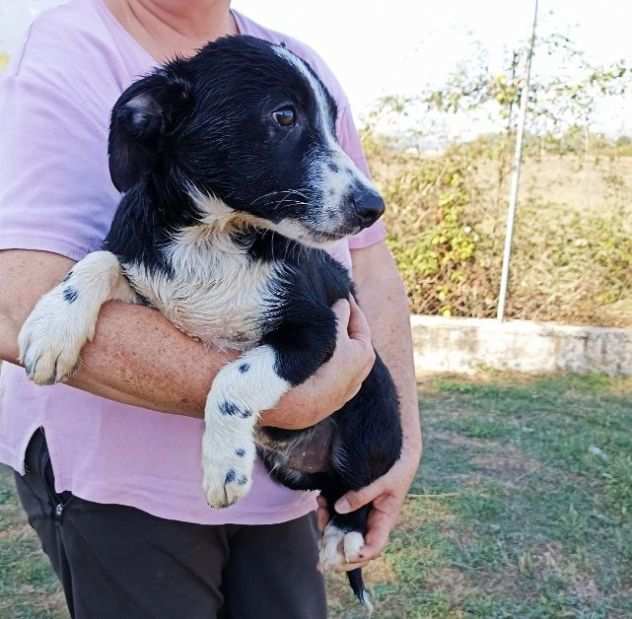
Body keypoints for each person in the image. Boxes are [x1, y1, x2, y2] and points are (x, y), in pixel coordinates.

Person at [0, 0, 422, 617]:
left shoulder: (297, 64)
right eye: (285, 120)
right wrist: (286, 398)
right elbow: (18, 301)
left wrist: (401, 444)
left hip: (282, 493)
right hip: (123, 492)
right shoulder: (72, 43)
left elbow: (372, 261)